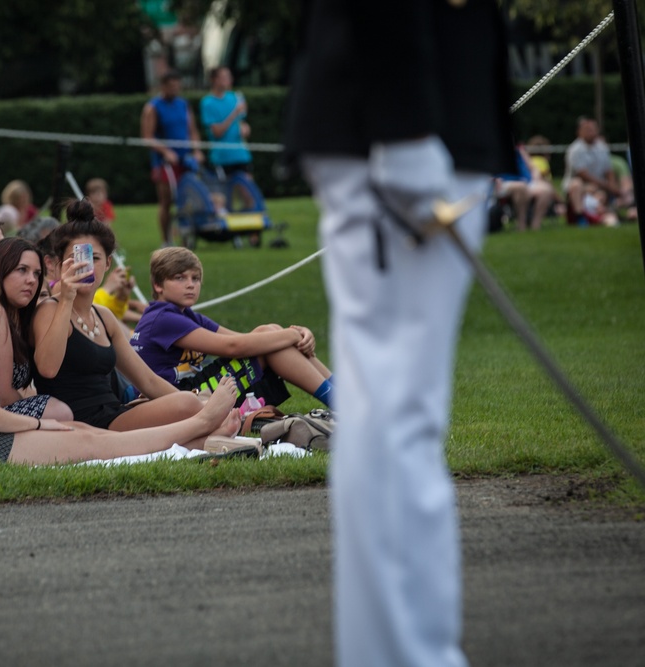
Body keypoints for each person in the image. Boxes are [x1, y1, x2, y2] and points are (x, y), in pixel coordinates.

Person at [284, 2, 515, 667]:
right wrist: (404, 123)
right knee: (396, 417)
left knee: (396, 415)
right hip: (403, 126)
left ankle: (400, 650)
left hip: (415, 117)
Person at [0, 234, 241, 467]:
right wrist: (38, 425)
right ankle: (201, 421)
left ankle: (201, 443)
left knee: (83, 434)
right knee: (89, 444)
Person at [31, 200, 217, 436]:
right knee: (190, 406)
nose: (86, 267)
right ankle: (217, 422)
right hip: (83, 424)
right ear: (57, 266)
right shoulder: (50, 308)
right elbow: (47, 368)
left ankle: (219, 421)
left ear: (108, 263)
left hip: (114, 413)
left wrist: (198, 406)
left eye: (94, 258)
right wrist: (66, 298)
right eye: (75, 259)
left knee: (191, 403)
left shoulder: (104, 316)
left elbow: (147, 381)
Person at [132, 247, 333, 409]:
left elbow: (246, 340)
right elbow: (233, 347)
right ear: (158, 285)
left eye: (195, 278)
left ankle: (340, 392)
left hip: (192, 388)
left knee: (268, 331)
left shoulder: (186, 315)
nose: (190, 284)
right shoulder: (163, 318)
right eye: (180, 278)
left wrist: (298, 334)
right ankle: (338, 400)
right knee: (269, 337)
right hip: (176, 397)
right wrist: (292, 334)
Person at [0, 237, 73, 420]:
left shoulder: (20, 319)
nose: (32, 280)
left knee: (76, 427)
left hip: (1, 415)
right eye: (22, 270)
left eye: (36, 274)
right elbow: (2, 395)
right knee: (60, 415)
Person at [141, 70, 204, 245]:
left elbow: (192, 130)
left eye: (177, 86)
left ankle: (186, 236)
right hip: (165, 163)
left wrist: (197, 150)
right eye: (171, 86)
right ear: (163, 86)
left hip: (186, 160)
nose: (175, 90)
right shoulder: (153, 107)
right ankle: (166, 239)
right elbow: (147, 137)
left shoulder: (183, 104)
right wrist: (165, 151)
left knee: (188, 198)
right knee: (166, 200)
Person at [563, 117, 619, 226]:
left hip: (598, 187)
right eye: (587, 129)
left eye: (593, 129)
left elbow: (609, 170)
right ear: (579, 132)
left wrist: (613, 185)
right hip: (579, 187)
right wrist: (606, 185)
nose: (591, 132)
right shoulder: (575, 149)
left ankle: (604, 215)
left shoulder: (602, 147)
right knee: (577, 185)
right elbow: (582, 174)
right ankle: (580, 217)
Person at [199, 66, 252, 175]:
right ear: (214, 79)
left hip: (241, 155)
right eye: (224, 77)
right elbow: (217, 133)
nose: (228, 79)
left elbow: (241, 122)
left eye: (229, 76)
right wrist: (234, 113)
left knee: (248, 189)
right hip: (221, 157)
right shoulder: (207, 102)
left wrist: (245, 128)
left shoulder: (235, 97)